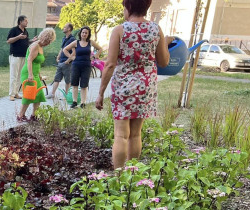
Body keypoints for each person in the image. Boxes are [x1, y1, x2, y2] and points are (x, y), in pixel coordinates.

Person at [95, 0, 172, 169]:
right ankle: (131, 175)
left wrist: (100, 93)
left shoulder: (120, 30)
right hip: (145, 87)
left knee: (121, 135)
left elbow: (109, 64)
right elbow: (164, 62)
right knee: (136, 134)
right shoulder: (155, 29)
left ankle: (119, 175)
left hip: (123, 86)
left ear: (128, 7)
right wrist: (164, 42)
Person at [18, 28, 56, 121]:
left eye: (50, 42)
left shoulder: (40, 47)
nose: (48, 43)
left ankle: (34, 116)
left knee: (38, 95)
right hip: (28, 73)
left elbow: (37, 63)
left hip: (35, 73)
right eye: (48, 41)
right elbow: (29, 60)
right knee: (28, 95)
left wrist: (39, 74)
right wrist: (30, 75)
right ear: (44, 38)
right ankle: (20, 116)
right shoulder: (35, 46)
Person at [62, 26, 103, 108]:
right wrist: (71, 57)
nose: (84, 34)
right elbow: (65, 49)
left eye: (86, 33)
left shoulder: (91, 42)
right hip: (76, 65)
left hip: (86, 66)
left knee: (84, 85)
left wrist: (95, 56)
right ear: (80, 33)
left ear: (88, 34)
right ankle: (74, 101)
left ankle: (83, 103)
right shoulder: (76, 42)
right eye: (83, 32)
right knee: (74, 84)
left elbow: (100, 49)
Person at [7, 15, 32, 101]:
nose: (27, 22)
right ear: (20, 22)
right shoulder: (14, 30)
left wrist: (33, 41)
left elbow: (26, 42)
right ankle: (11, 94)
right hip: (15, 56)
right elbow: (8, 41)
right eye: (25, 21)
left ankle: (16, 92)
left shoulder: (25, 31)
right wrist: (18, 37)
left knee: (19, 76)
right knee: (14, 75)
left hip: (23, 56)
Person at [49, 23, 75, 99]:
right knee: (56, 78)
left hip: (67, 63)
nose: (63, 28)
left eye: (65, 27)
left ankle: (67, 95)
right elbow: (62, 49)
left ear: (69, 29)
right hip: (61, 62)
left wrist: (68, 60)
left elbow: (74, 51)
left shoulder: (72, 39)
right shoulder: (64, 38)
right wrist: (58, 57)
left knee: (67, 80)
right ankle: (52, 94)